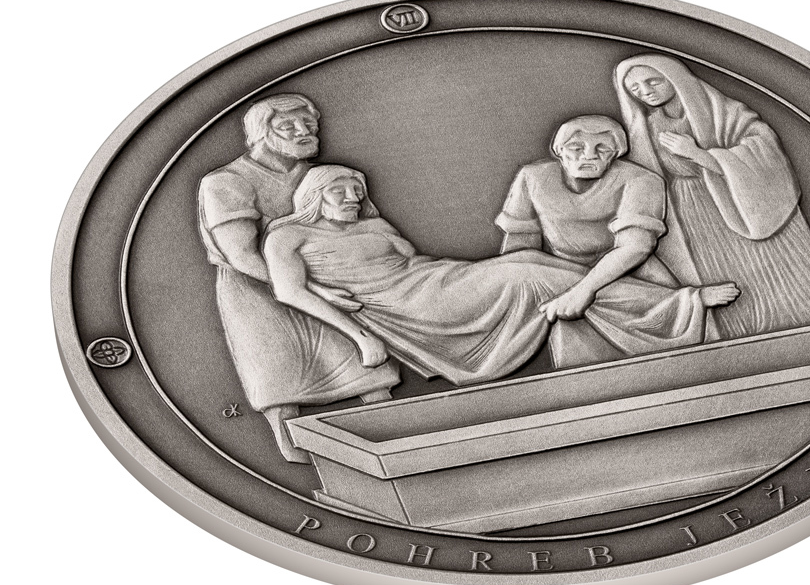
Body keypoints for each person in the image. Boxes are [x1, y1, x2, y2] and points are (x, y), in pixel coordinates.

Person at [262, 165, 724, 384]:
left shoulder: (374, 225)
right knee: (530, 279)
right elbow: (289, 292)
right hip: (410, 305)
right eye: (338, 192)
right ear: (314, 196)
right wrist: (360, 335)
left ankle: (667, 304)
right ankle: (680, 306)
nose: (351, 198)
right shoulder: (287, 236)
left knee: (538, 264)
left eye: (356, 190)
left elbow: (413, 261)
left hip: (438, 279)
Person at [198, 94, 399, 463]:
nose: (303, 132)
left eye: (309, 124)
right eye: (288, 126)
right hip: (257, 291)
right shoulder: (227, 182)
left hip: (327, 280)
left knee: (364, 365)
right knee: (280, 372)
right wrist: (310, 289)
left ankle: (394, 430)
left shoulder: (317, 176)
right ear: (260, 134)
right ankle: (294, 454)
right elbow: (241, 255)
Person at [614, 54, 810, 339]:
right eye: (635, 89)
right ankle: (752, 344)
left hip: (742, 201)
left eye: (653, 81)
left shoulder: (721, 111)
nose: (646, 92)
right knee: (727, 276)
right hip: (693, 214)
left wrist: (697, 154)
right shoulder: (646, 127)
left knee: (778, 273)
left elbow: (763, 150)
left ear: (675, 77)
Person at [497, 115, 738, 364]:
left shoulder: (641, 180)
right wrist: (519, 290)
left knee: (675, 358)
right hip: (559, 271)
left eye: (602, 149)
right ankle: (687, 301)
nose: (589, 156)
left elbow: (636, 247)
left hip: (632, 270)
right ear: (559, 151)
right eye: (576, 148)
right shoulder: (532, 178)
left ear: (615, 154)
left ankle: (684, 303)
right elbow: (520, 251)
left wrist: (583, 291)